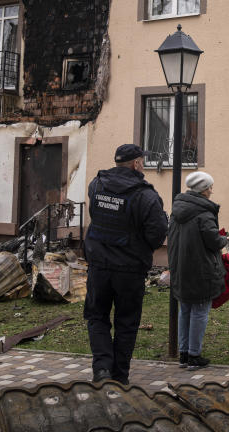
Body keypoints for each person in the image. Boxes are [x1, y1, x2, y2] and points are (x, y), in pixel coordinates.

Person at [84, 144, 168, 384]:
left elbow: (97, 215)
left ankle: (101, 370)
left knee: (97, 317)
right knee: (126, 323)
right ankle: (119, 376)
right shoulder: (146, 195)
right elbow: (157, 233)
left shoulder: (97, 185)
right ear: (137, 164)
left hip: (99, 265)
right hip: (129, 269)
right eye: (143, 161)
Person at [168, 171, 228, 369]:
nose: (212, 191)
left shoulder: (177, 210)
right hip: (201, 270)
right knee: (200, 311)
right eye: (210, 187)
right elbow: (213, 242)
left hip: (181, 268)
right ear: (203, 190)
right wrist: (224, 239)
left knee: (185, 310)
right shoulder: (204, 213)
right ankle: (194, 355)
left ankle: (184, 354)